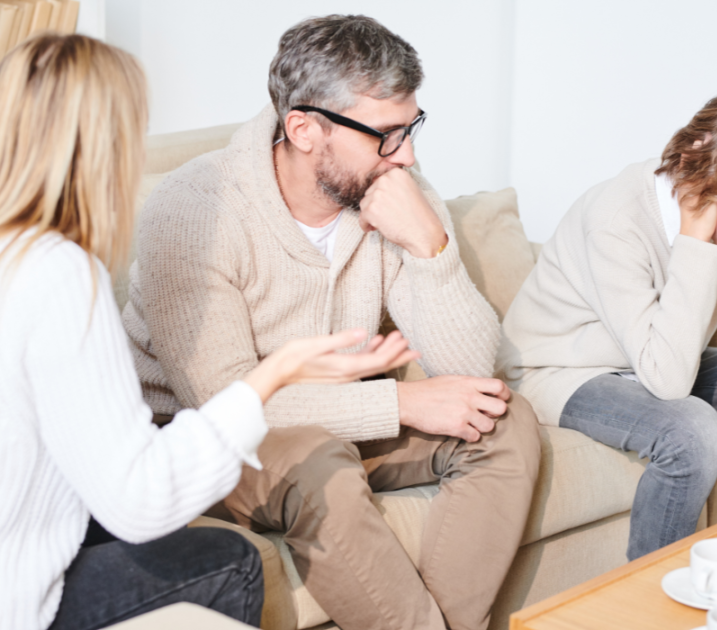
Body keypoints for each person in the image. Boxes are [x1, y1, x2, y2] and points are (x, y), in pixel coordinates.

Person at [122, 14, 541, 630]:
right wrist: (398, 404)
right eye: (387, 134)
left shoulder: (393, 189)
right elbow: (223, 403)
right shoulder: (195, 210)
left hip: (335, 417)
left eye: (412, 128)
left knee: (502, 419)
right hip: (203, 437)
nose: (408, 153)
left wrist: (430, 245)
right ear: (304, 129)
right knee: (320, 466)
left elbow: (472, 370)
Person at [0, 34, 418, 630]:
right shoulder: (59, 272)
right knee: (230, 561)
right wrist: (275, 373)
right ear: (104, 147)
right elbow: (141, 503)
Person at [498, 87, 717, 561]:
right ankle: (657, 603)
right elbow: (668, 382)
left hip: (660, 358)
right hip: (562, 371)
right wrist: (698, 245)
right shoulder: (615, 220)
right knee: (692, 430)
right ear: (696, 179)